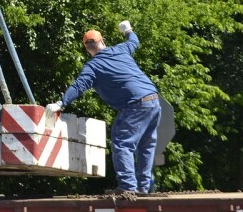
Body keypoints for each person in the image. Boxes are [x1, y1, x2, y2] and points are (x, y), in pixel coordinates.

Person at [47, 20, 161, 195]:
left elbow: (78, 86)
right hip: (153, 101)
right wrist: (128, 30)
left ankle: (128, 187)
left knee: (122, 143)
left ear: (87, 49)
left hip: (135, 105)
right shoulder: (120, 50)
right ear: (103, 41)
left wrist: (60, 103)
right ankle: (143, 188)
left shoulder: (93, 66)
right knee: (146, 146)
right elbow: (134, 41)